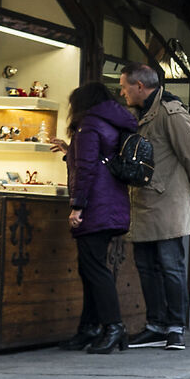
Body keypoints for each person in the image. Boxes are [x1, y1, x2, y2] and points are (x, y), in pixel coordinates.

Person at [119, 62, 190, 350]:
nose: (122, 92)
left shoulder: (171, 112)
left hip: (168, 202)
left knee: (171, 266)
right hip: (141, 201)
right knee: (145, 266)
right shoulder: (134, 114)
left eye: (124, 86)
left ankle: (175, 327)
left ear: (140, 86)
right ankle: (155, 326)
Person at [64, 82, 140, 355]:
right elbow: (97, 160)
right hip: (112, 202)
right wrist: (67, 152)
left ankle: (113, 326)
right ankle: (90, 328)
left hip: (96, 205)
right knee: (91, 268)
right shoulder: (110, 122)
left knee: (94, 269)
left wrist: (78, 207)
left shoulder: (88, 125)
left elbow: (86, 169)